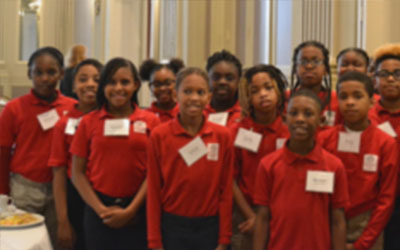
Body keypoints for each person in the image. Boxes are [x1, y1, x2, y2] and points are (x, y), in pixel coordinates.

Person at [70, 58, 159, 250]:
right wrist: (101, 210)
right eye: (111, 82)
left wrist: (131, 210)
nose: (118, 88)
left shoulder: (151, 122)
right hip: (98, 210)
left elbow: (154, 172)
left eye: (125, 82)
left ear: (135, 85)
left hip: (138, 210)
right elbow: (77, 173)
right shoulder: (88, 122)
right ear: (103, 86)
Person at [146, 67, 233, 250]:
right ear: (176, 95)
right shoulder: (159, 136)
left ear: (209, 97)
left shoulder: (222, 136)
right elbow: (153, 189)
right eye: (187, 91)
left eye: (200, 92)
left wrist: (224, 239)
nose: (194, 98)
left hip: (210, 227)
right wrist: (154, 241)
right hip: (173, 227)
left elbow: (225, 190)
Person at [0, 46, 76, 249]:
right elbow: (3, 152)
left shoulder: (72, 107)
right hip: (25, 188)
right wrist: (3, 192)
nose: (44, 78)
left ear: (61, 73)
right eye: (38, 72)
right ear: (29, 74)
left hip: (60, 189)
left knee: (58, 240)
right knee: (23, 242)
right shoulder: (14, 108)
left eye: (51, 72)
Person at [253, 89, 349, 250]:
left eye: (308, 114)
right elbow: (262, 218)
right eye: (294, 113)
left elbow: (337, 221)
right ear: (284, 118)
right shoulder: (268, 165)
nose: (300, 119)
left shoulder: (334, 166)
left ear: (321, 119)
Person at [319, 71, 398, 250]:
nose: (350, 102)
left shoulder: (385, 143)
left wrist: (363, 243)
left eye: (357, 96)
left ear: (371, 101)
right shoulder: (324, 139)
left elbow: (386, 198)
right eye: (343, 97)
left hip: (367, 224)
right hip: (327, 220)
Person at [229, 64, 289, 250]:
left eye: (268, 87)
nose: (263, 94)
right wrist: (252, 217)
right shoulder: (237, 131)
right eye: (255, 91)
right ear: (247, 98)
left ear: (279, 91)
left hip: (283, 213)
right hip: (246, 212)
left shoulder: (290, 130)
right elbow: (231, 180)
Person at [49, 59, 103, 250]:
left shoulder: (114, 119)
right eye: (83, 79)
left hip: (107, 195)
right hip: (76, 199)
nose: (90, 84)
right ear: (73, 85)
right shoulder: (63, 124)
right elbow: (59, 173)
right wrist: (62, 221)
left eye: (97, 79)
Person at [368, 43, 400, 250]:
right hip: (374, 200)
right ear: (375, 80)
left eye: (397, 73)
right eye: (384, 74)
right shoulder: (365, 117)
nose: (390, 79)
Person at [290, 40, 338, 127]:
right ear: (295, 69)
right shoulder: (285, 99)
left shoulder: (337, 99)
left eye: (316, 62)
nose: (309, 66)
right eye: (303, 62)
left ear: (326, 69)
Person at [205, 50, 242, 127]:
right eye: (216, 77)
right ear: (207, 79)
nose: (222, 82)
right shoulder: (198, 112)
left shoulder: (246, 114)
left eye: (229, 78)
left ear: (238, 81)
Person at [139, 58, 184, 122]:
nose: (162, 88)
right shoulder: (143, 117)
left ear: (177, 83)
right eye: (157, 85)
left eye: (168, 83)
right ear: (150, 87)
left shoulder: (185, 113)